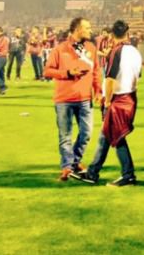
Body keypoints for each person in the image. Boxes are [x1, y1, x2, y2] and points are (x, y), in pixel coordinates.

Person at [72, 20, 141, 187]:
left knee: (117, 137)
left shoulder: (116, 52)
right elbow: (137, 78)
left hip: (118, 99)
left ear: (111, 35)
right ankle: (93, 172)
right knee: (107, 136)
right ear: (127, 32)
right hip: (130, 96)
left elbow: (110, 79)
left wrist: (108, 100)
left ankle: (127, 174)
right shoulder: (135, 51)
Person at [43, 17, 102, 181]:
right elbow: (47, 71)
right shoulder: (60, 49)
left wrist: (98, 90)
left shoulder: (91, 48)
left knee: (86, 133)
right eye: (87, 27)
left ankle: (74, 161)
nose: (90, 30)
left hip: (85, 98)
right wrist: (68, 73)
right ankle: (67, 167)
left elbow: (96, 70)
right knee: (65, 135)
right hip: (64, 99)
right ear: (77, 30)